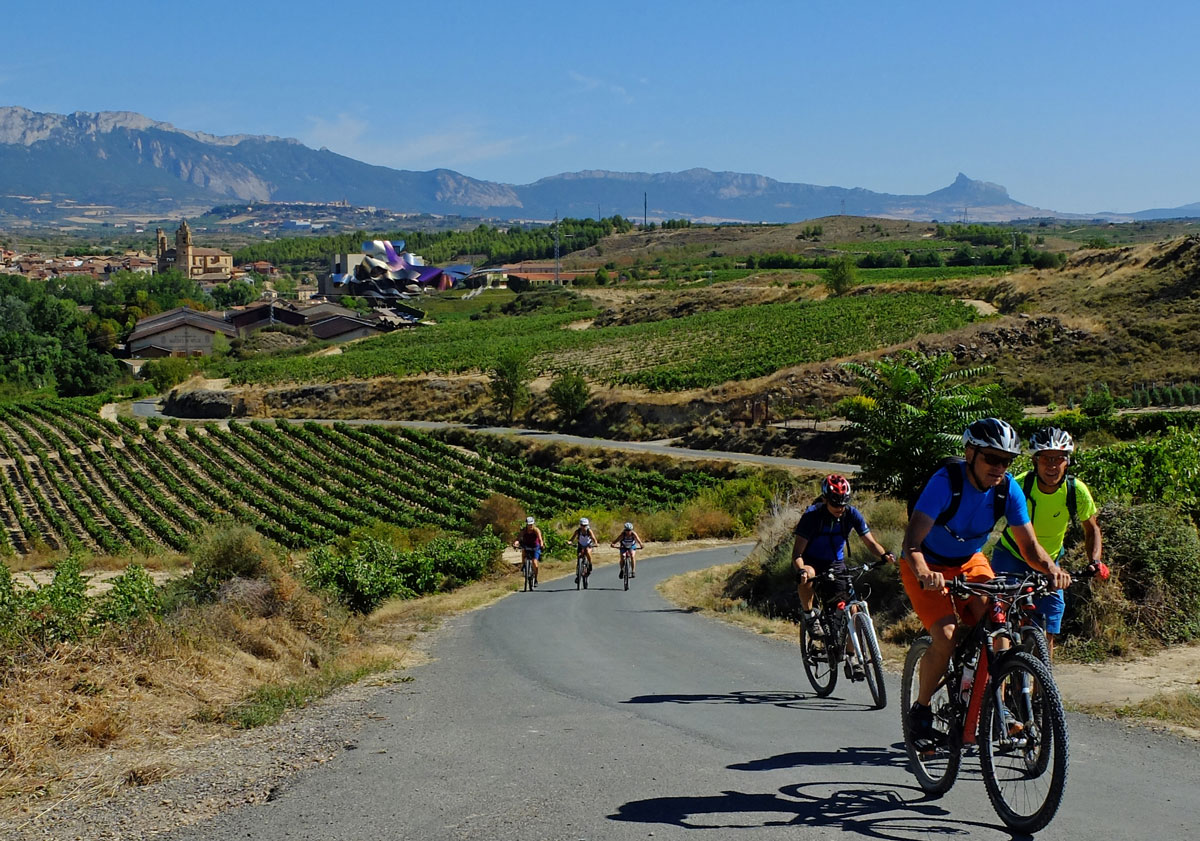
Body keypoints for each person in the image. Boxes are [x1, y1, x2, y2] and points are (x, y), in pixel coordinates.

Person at [902, 418, 1071, 750]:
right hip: (926, 562)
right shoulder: (945, 482)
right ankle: (920, 711)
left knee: (999, 625)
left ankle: (996, 706)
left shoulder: (1008, 489)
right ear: (970, 453)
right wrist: (925, 573)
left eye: (1006, 461)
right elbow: (911, 543)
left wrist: (1052, 569)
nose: (999, 467)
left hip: (969, 560)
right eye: (991, 458)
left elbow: (1030, 548)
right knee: (946, 635)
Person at [990, 427, 1103, 658]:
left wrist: (1095, 560)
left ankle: (1042, 689)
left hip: (1050, 562)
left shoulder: (1076, 491)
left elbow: (1091, 529)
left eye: (1058, 458)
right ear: (1035, 460)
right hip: (1011, 556)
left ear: (1067, 461)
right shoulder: (1019, 486)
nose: (1051, 465)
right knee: (1001, 614)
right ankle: (997, 684)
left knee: (1048, 623)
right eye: (1045, 458)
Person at [792, 474, 896, 677]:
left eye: (843, 503)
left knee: (854, 608)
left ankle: (852, 657)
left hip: (836, 564)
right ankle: (809, 616)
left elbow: (870, 542)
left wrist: (883, 555)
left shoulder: (851, 514)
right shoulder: (812, 517)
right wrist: (802, 571)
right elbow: (797, 554)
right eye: (834, 503)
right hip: (811, 562)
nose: (840, 508)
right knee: (809, 575)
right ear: (824, 500)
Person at [512, 516, 544, 587]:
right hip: (527, 545)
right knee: (523, 551)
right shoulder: (524, 531)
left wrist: (541, 545)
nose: (530, 526)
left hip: (535, 546)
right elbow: (518, 538)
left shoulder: (536, 530)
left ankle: (535, 578)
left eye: (531, 524)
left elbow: (540, 539)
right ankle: (524, 565)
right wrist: (516, 543)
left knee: (535, 563)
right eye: (529, 524)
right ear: (527, 524)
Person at [570, 517, 598, 583]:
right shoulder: (578, 531)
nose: (584, 527)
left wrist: (596, 543)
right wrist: (570, 542)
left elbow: (594, 539)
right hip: (581, 546)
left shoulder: (589, 531)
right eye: (582, 525)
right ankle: (578, 574)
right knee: (579, 557)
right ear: (580, 525)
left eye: (585, 525)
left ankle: (590, 564)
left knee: (588, 553)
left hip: (588, 545)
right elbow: (572, 538)